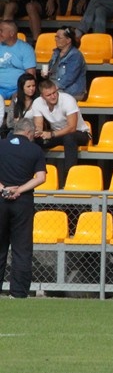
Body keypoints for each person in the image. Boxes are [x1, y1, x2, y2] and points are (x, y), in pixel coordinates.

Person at [0, 118, 47, 298]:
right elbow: (41, 177)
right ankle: (18, 293)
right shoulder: (35, 150)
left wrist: (4, 189)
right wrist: (19, 189)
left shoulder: (1, 145)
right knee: (21, 248)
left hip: (1, 199)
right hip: (23, 202)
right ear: (29, 132)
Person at [29, 79, 91, 186]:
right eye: (49, 95)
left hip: (80, 133)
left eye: (54, 93)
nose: (53, 96)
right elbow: (38, 124)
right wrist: (39, 133)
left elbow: (72, 127)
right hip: (58, 134)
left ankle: (69, 176)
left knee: (69, 137)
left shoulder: (68, 100)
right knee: (34, 139)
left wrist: (51, 134)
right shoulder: (37, 102)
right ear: (43, 96)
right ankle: (34, 173)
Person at [46, 26, 87, 100]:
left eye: (59, 37)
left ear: (68, 40)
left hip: (70, 91)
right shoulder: (56, 52)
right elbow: (51, 71)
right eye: (56, 37)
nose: (56, 39)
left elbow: (68, 78)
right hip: (55, 88)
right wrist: (46, 73)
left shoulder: (75, 55)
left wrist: (52, 90)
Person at [0, 21, 36, 99]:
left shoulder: (26, 49)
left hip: (17, 89)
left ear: (11, 33)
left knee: (19, 102)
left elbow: (31, 75)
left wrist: (22, 91)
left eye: (1, 31)